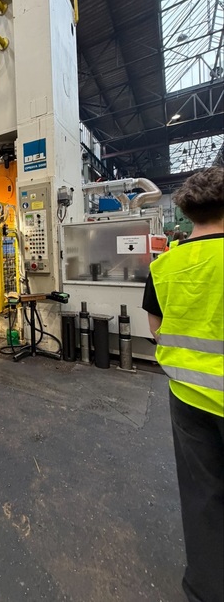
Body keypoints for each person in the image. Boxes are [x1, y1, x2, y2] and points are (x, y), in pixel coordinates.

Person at [142, 166, 224, 602]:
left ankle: (205, 588)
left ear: (186, 212)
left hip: (187, 396)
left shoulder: (164, 265)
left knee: (202, 494)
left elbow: (156, 328)